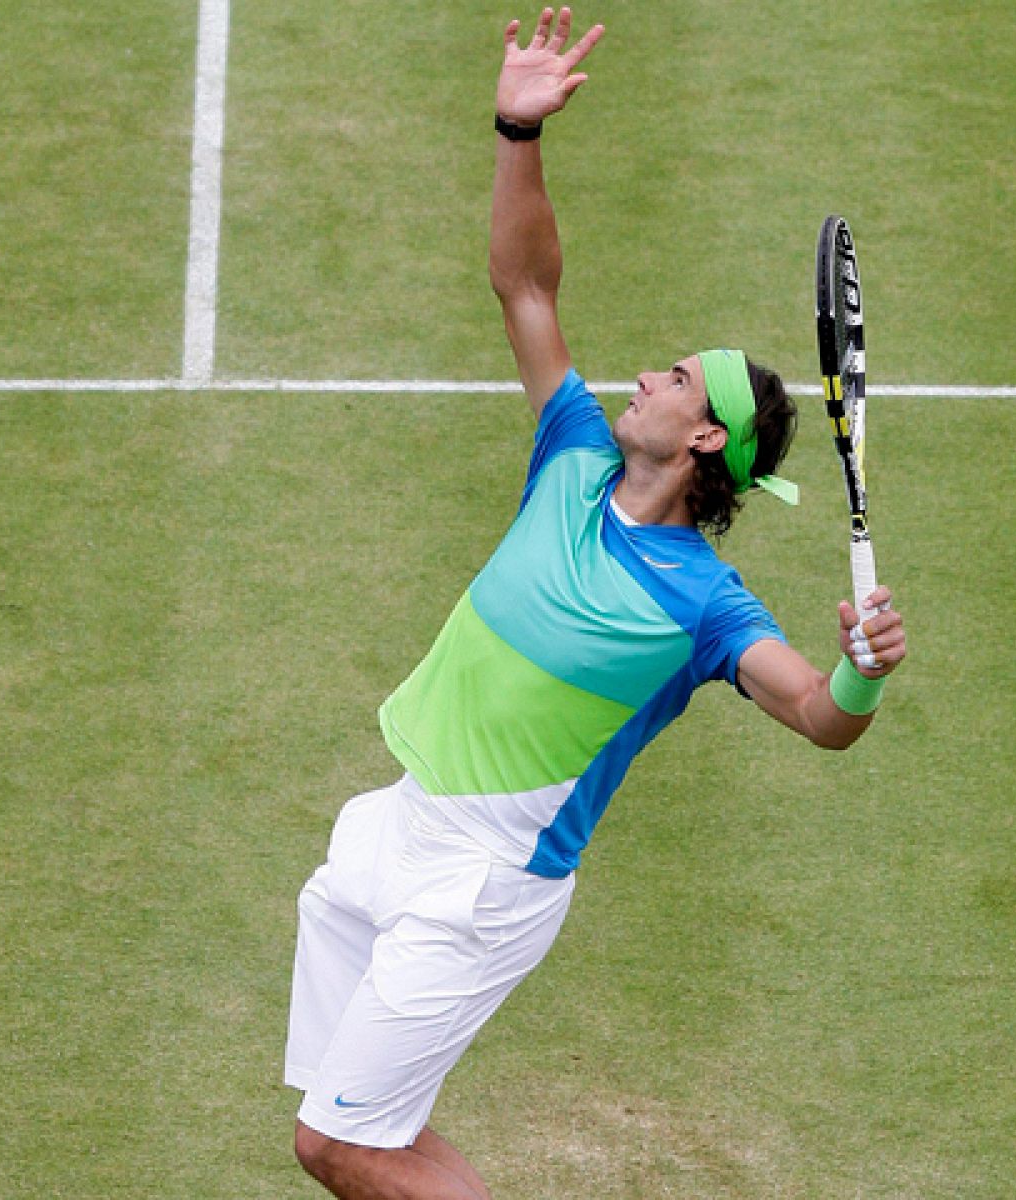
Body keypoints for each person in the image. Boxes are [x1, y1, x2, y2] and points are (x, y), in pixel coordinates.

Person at [285, 9, 908, 1198]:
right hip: (397, 822)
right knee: (356, 1138)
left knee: (342, 1144)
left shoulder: (703, 605)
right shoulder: (569, 453)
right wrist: (517, 127)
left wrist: (864, 668)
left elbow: (821, 717)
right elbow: (522, 280)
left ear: (706, 434)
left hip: (486, 880)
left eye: (672, 376)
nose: (641, 374)